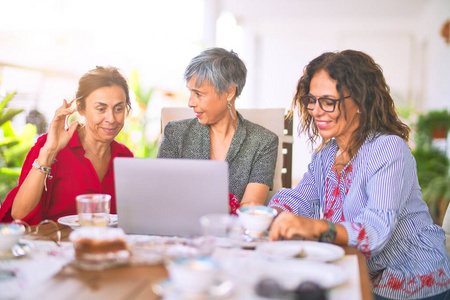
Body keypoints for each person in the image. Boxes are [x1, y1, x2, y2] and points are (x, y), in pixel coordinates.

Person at [268, 50, 450, 300]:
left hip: (411, 282)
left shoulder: (388, 148)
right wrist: (268, 216)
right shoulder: (326, 155)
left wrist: (316, 227)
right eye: (312, 99)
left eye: (328, 101)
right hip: (360, 273)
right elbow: (301, 198)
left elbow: (374, 231)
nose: (316, 111)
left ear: (361, 103)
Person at [0, 66, 134, 225]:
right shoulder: (49, 146)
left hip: (104, 247)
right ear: (81, 108)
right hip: (54, 246)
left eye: (118, 109)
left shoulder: (125, 157)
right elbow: (19, 215)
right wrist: (49, 152)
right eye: (101, 109)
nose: (111, 118)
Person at [158, 48, 278, 209]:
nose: (190, 102)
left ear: (229, 92)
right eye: (190, 92)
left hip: (234, 232)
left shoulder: (264, 142)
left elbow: (250, 208)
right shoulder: (176, 133)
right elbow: (161, 195)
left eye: (198, 94)